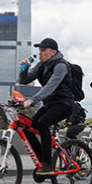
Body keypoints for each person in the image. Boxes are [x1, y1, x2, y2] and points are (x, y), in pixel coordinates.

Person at [18, 38, 77, 174]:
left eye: (43, 51)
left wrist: (33, 100)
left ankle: (48, 164)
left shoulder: (61, 65)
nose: (40, 53)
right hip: (50, 104)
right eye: (39, 51)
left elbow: (51, 86)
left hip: (64, 104)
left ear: (53, 52)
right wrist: (24, 69)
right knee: (30, 128)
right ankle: (41, 162)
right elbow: (24, 80)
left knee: (43, 123)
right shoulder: (41, 66)